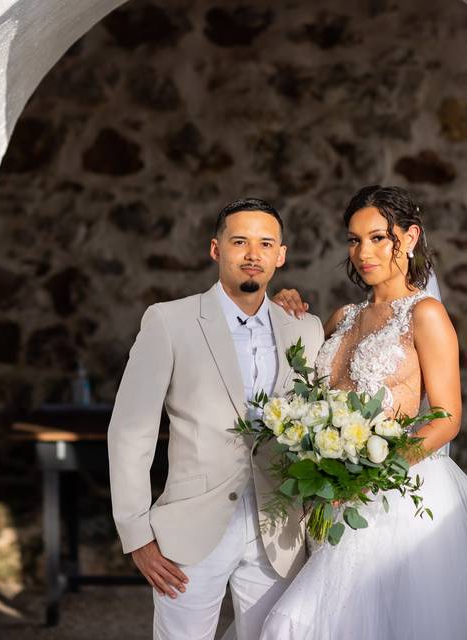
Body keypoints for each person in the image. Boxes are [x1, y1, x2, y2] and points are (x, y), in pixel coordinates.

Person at [261, 185, 467, 639]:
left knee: (297, 625)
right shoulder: (343, 318)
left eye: (379, 237)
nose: (364, 252)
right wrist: (282, 310)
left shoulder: (426, 314)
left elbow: (447, 415)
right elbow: (303, 392)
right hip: (328, 497)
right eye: (354, 240)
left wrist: (373, 473)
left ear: (410, 237)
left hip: (390, 496)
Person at [107, 198, 326, 640]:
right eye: (239, 241)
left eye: (265, 243)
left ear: (280, 255)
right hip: (189, 532)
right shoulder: (168, 321)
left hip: (279, 530)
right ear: (216, 249)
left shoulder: (306, 328)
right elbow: (131, 431)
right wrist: (137, 536)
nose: (252, 254)